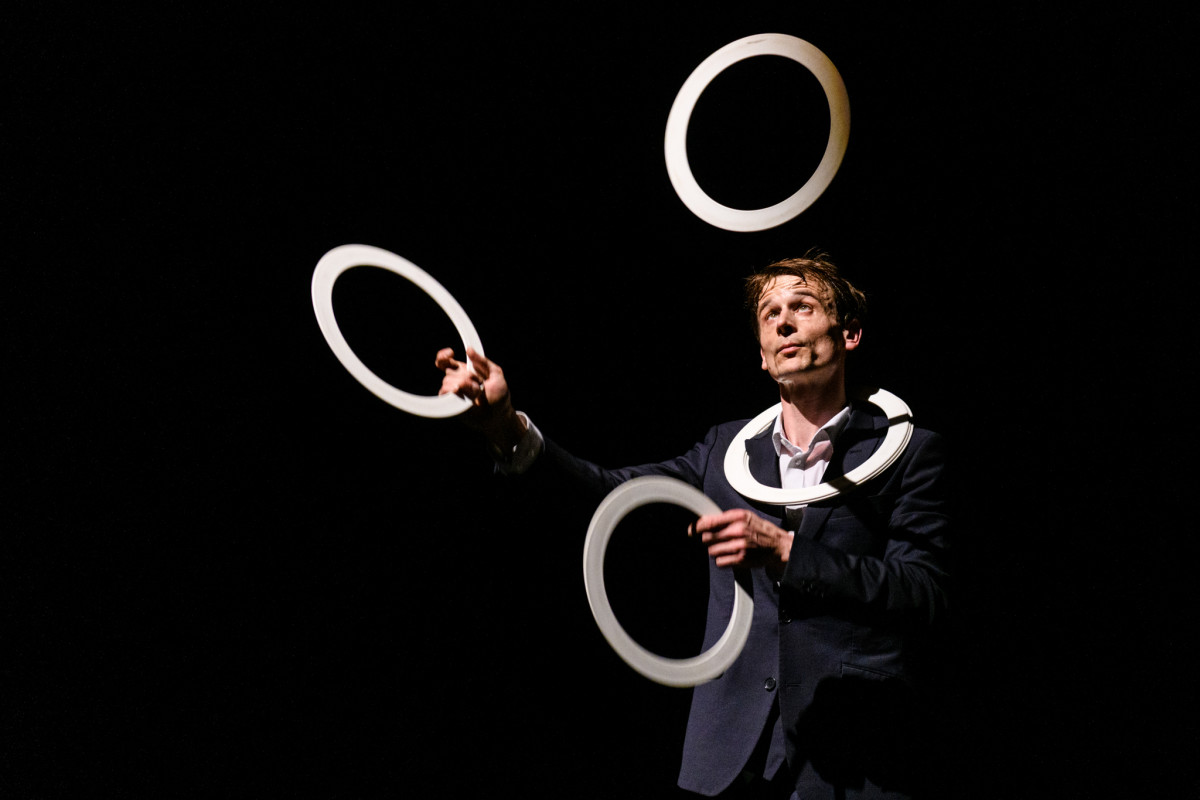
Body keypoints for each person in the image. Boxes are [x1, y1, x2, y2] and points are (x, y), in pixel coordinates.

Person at [435, 254, 952, 799]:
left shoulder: (910, 452)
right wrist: (505, 426)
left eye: (802, 306)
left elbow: (924, 591)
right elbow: (611, 497)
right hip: (729, 757)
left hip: (855, 756)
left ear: (849, 334)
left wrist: (788, 551)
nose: (783, 322)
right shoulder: (726, 452)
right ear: (761, 355)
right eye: (769, 313)